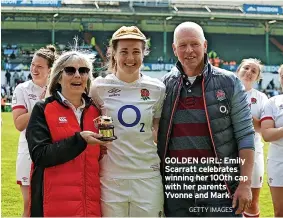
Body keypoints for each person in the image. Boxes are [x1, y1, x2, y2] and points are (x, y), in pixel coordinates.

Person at [157, 21, 255, 217]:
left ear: (205, 46)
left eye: (194, 44)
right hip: (177, 190)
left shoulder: (229, 82)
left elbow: (245, 135)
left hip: (220, 187)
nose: (189, 50)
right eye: (183, 45)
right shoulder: (164, 86)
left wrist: (245, 183)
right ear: (174, 49)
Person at [91, 26, 166, 217]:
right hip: (111, 178)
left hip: (147, 176)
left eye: (136, 52)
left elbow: (156, 128)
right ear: (113, 54)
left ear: (144, 53)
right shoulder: (98, 88)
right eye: (124, 51)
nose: (130, 58)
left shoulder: (157, 88)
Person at [26, 50, 108, 217]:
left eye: (83, 70)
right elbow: (40, 155)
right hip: (53, 208)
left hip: (90, 208)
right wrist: (80, 140)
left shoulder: (96, 112)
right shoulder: (43, 109)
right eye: (70, 70)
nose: (77, 75)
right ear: (58, 77)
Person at [11, 45, 57, 217]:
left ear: (50, 69)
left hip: (52, 151)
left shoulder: (58, 90)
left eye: (39, 66)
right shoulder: (22, 89)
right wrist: (42, 103)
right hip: (28, 152)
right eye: (32, 64)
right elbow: (19, 123)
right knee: (29, 204)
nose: (34, 69)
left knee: (51, 203)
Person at [236, 58, 268, 217]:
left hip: (254, 153)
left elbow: (264, 128)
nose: (249, 72)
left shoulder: (261, 98)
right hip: (227, 152)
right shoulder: (224, 92)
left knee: (251, 201)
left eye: (254, 71)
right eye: (246, 68)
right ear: (238, 70)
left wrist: (241, 114)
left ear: (257, 78)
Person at [261, 64, 283, 217]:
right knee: (280, 211)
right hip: (278, 161)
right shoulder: (273, 102)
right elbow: (267, 134)